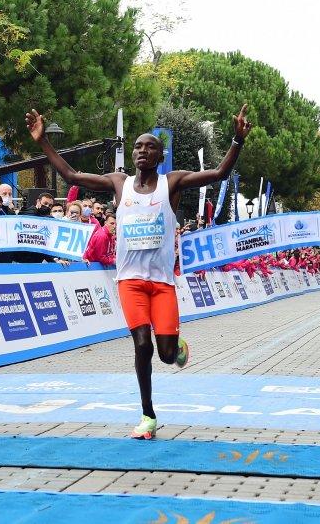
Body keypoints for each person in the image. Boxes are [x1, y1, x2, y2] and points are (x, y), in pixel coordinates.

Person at [26, 103, 252, 440]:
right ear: (132, 155)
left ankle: (176, 347)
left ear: (160, 157)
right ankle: (148, 416)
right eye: (137, 146)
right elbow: (72, 176)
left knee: (165, 353)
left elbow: (218, 174)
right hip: (130, 282)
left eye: (150, 146)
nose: (142, 150)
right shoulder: (120, 184)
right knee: (142, 345)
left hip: (161, 284)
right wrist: (44, 141)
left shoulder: (171, 183)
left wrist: (237, 141)